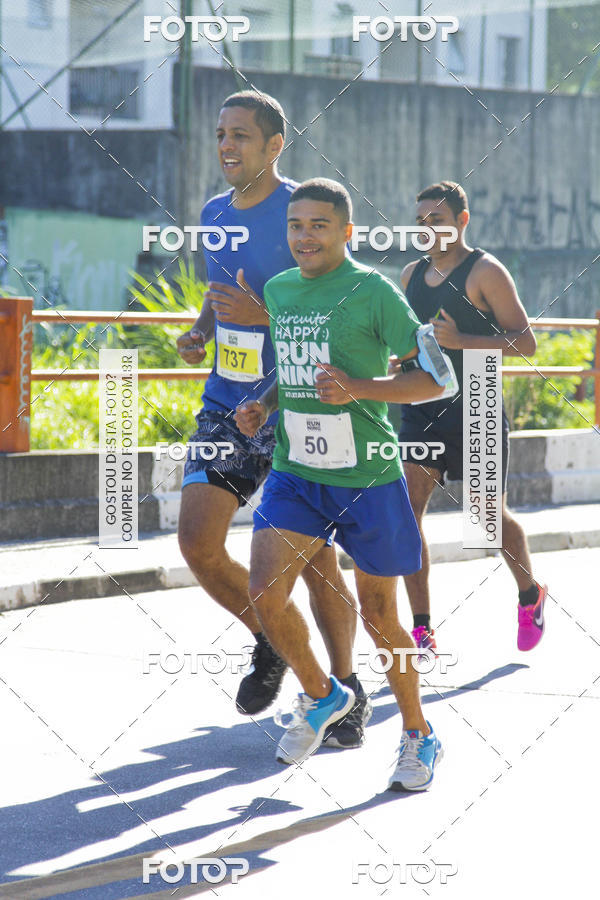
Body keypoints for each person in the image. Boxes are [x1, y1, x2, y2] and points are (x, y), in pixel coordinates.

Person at [236, 178, 446, 790]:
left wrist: (363, 389)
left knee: (382, 615)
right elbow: (296, 364)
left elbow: (438, 378)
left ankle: (418, 736)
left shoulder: (374, 292)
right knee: (264, 595)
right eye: (296, 225)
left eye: (319, 225)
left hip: (368, 479)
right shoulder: (279, 290)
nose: (305, 236)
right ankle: (325, 694)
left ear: (347, 231)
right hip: (297, 473)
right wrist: (266, 403)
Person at [176, 91, 370, 747]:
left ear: (274, 145)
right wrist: (203, 328)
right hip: (228, 406)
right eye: (221, 133)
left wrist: (267, 319)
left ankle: (346, 690)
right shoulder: (213, 212)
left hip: (298, 410)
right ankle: (272, 638)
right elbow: (219, 287)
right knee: (197, 546)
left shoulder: (305, 217)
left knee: (316, 566)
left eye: (241, 136)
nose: (227, 146)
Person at [395, 181, 547, 655]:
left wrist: (463, 343)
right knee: (407, 515)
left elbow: (526, 342)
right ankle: (421, 629)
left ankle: (530, 594)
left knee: (485, 518)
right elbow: (410, 340)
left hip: (478, 398)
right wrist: (398, 364)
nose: (428, 230)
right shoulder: (410, 276)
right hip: (422, 404)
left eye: (437, 220)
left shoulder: (486, 271)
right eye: (420, 222)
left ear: (461, 221)